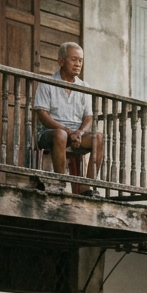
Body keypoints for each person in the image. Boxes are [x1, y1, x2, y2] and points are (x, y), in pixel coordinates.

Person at [32, 42, 100, 194]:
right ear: (61, 61)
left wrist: (80, 132)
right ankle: (60, 183)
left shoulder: (84, 86)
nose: (78, 64)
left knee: (99, 138)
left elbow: (88, 117)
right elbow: (42, 115)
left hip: (76, 134)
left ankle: (86, 187)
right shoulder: (47, 83)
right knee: (60, 134)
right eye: (73, 59)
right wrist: (67, 131)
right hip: (50, 132)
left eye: (80, 60)